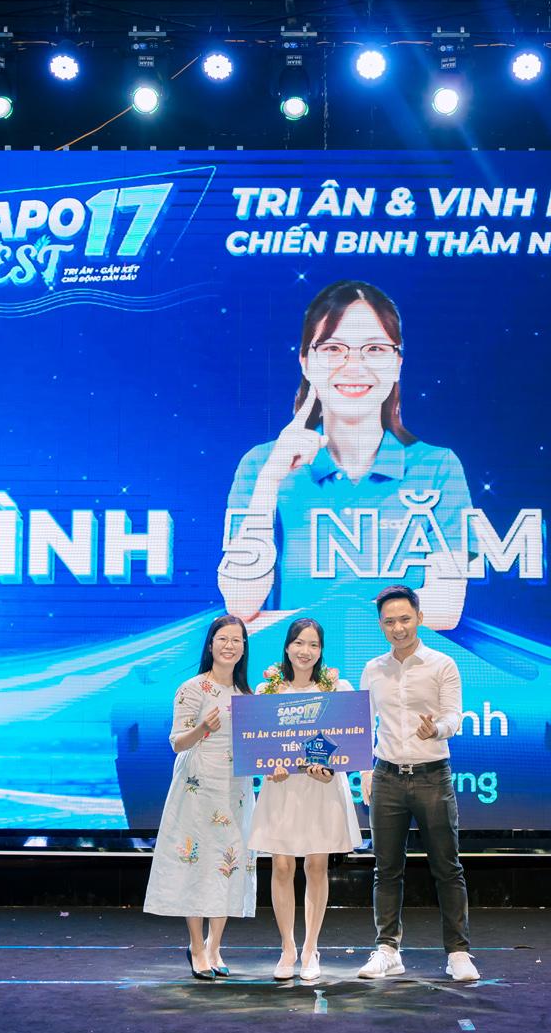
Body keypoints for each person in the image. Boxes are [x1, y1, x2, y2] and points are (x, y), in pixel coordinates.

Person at [219, 280, 472, 630]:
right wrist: (270, 481)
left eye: (374, 349)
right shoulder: (260, 465)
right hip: (295, 666)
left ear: (397, 362)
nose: (354, 365)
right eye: (334, 348)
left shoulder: (438, 468)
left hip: (400, 665)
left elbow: (445, 606)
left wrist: (309, 622)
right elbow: (241, 606)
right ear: (305, 362)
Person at [356, 584, 478, 982]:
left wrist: (436, 729)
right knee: (386, 869)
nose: (398, 628)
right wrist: (366, 772)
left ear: (420, 618)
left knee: (447, 868)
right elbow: (361, 726)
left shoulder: (443, 664)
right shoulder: (373, 669)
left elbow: (454, 716)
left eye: (405, 619)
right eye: (390, 621)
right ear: (380, 625)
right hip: (387, 777)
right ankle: (387, 950)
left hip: (432, 776)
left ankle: (458, 953)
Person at [247, 618, 364, 981]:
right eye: (299, 643)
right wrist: (270, 767)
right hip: (283, 789)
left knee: (316, 867)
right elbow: (260, 744)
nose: (305, 651)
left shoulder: (337, 688)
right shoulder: (267, 690)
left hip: (321, 788)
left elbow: (348, 737)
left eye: (313, 645)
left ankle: (311, 949)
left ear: (321, 651)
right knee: (282, 867)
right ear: (287, 647)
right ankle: (288, 947)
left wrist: (329, 767)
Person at [142, 614, 257, 980]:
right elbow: (177, 742)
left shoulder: (248, 696)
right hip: (198, 785)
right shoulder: (192, 688)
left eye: (236, 640)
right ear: (211, 645)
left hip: (235, 790)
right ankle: (195, 946)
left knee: (227, 863)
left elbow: (256, 747)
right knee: (196, 862)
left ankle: (215, 946)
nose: (229, 646)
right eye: (222, 639)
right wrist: (203, 728)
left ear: (244, 648)